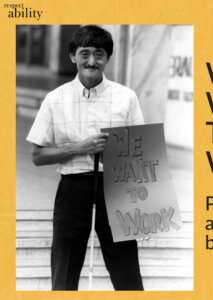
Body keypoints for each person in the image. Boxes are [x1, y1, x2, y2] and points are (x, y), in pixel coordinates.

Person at [26, 25, 144, 291]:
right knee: (64, 274)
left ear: (108, 58)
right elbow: (37, 155)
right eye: (85, 53)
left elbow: (141, 154)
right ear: (73, 56)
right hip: (72, 188)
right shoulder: (54, 99)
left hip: (117, 189)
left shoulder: (127, 97)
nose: (92, 61)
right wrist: (82, 147)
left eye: (99, 54)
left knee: (128, 275)